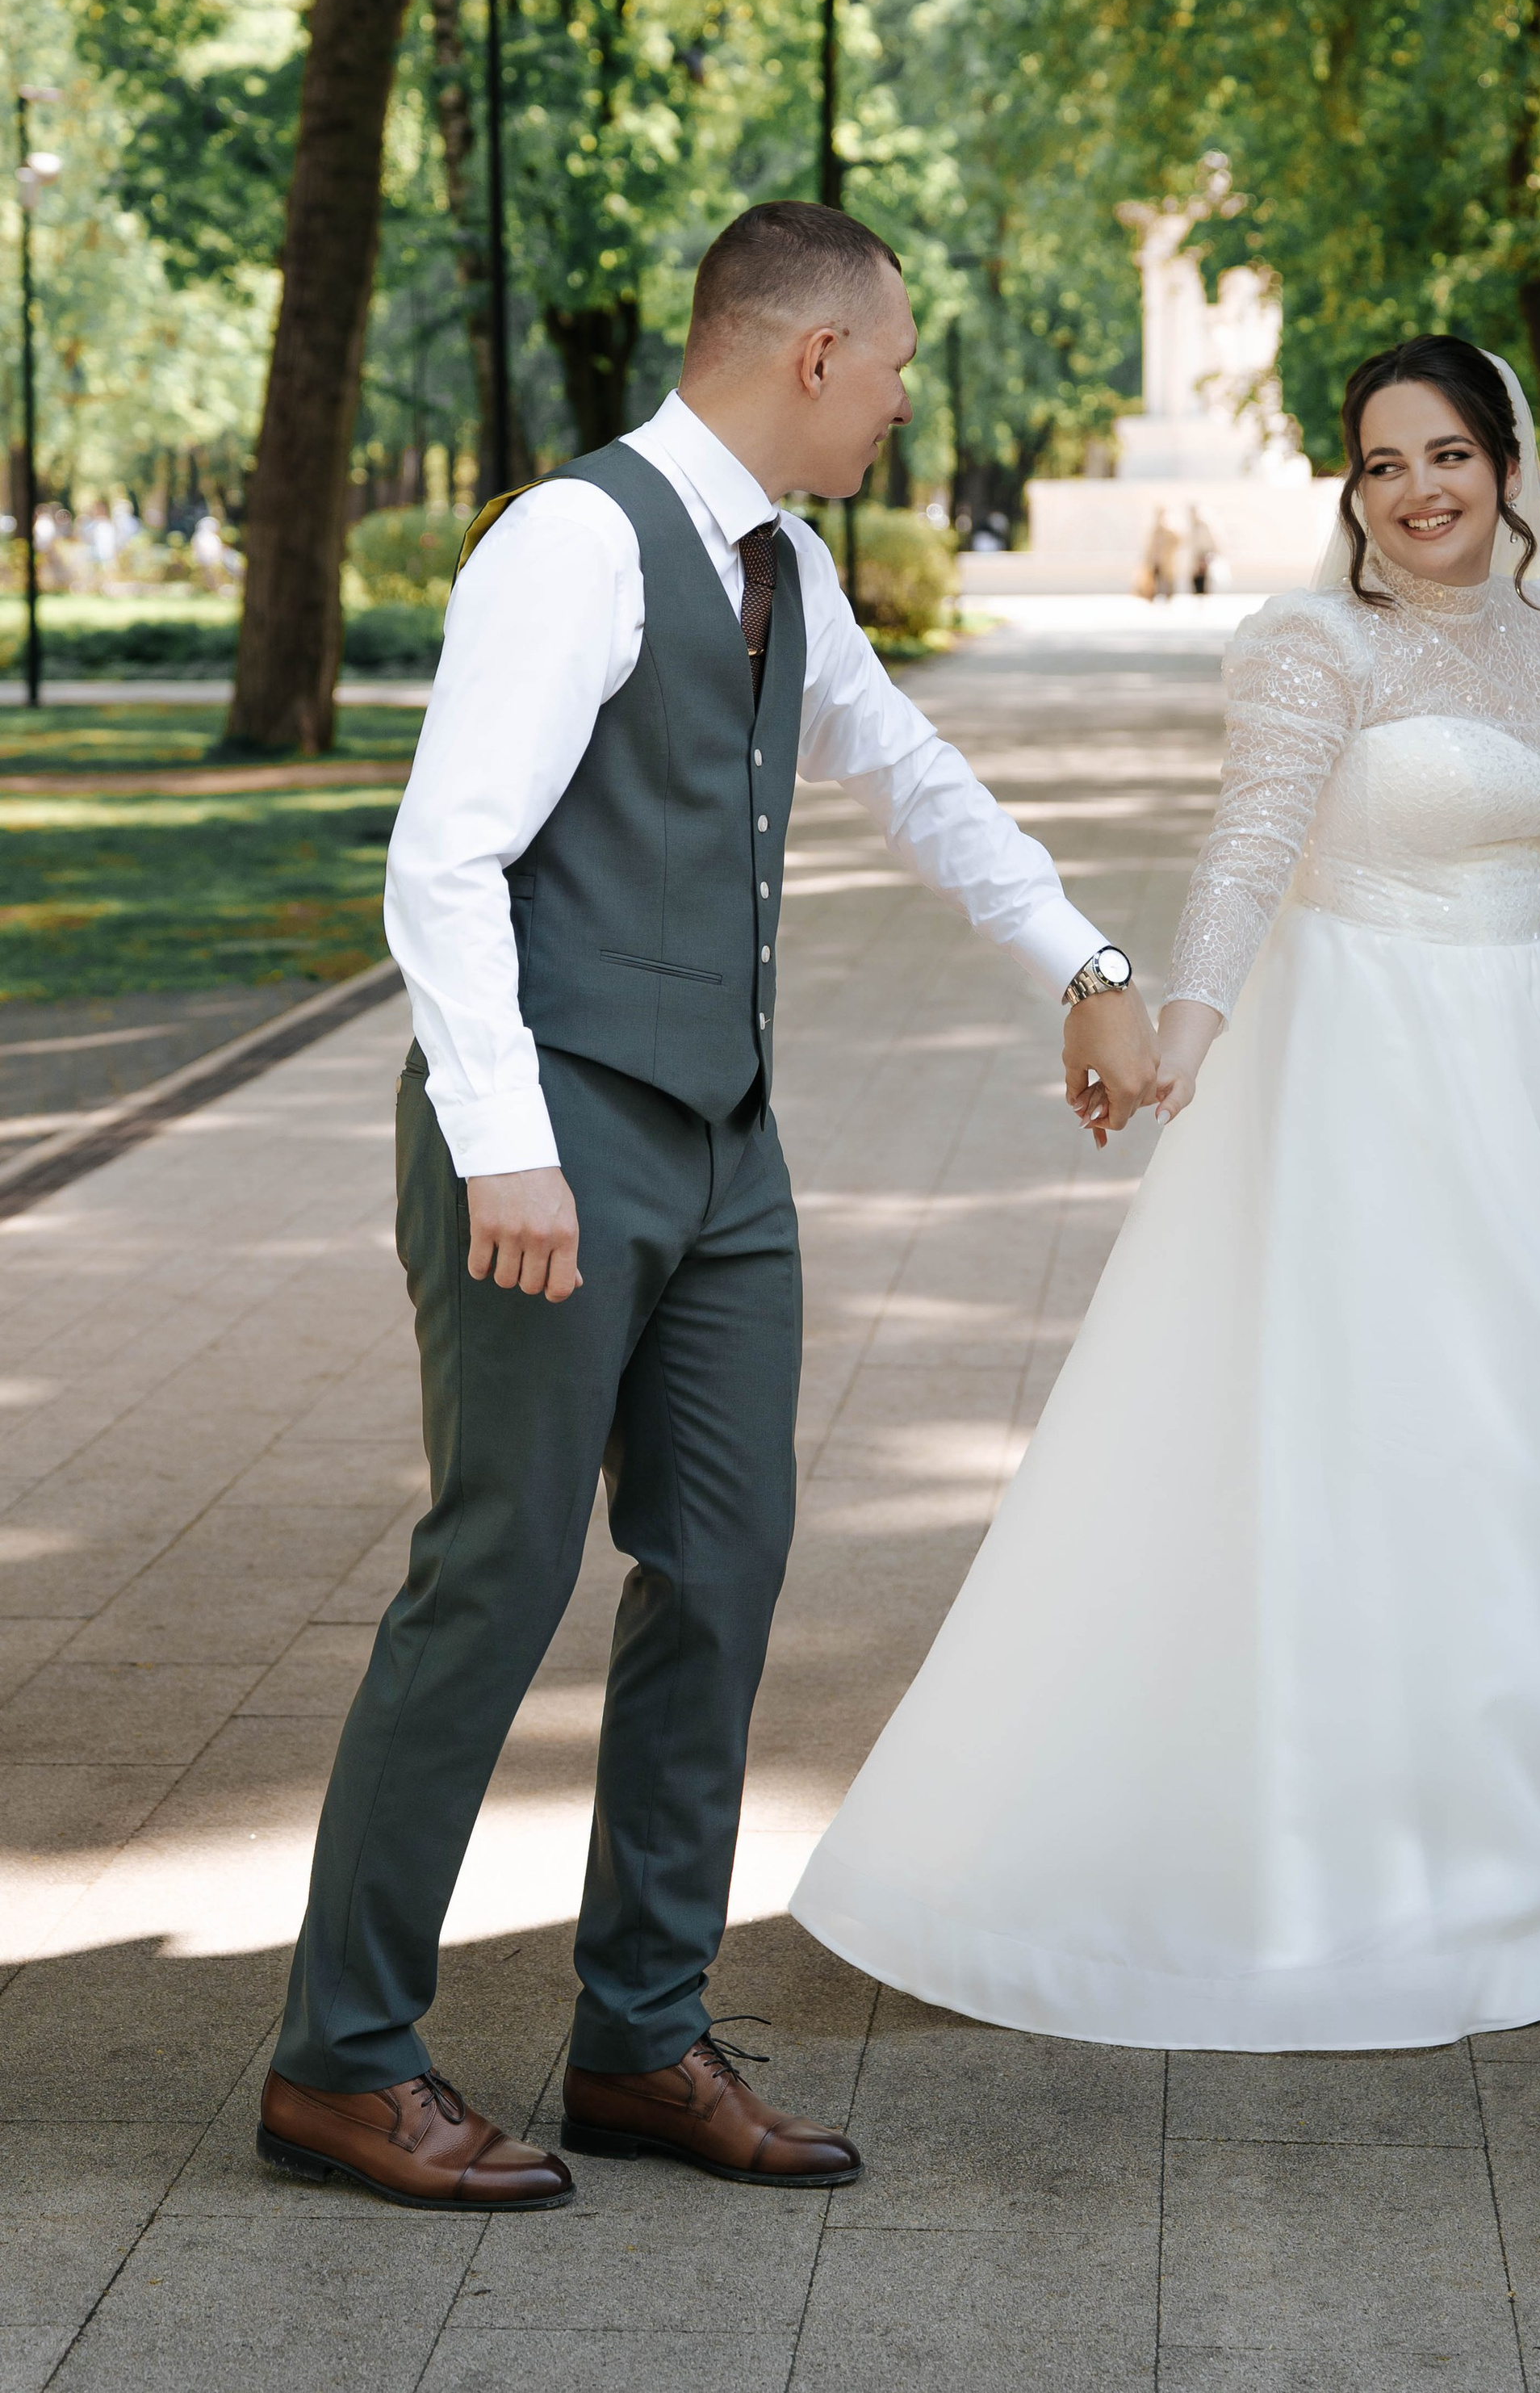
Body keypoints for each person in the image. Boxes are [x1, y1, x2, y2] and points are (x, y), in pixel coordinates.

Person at [792, 333, 1540, 2051]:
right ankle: (1359, 1863)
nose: (1415, 492)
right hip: (1361, 1064)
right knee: (1387, 1431)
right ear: (1351, 491)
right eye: (1380, 466)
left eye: (1443, 454)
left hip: (1517, 1066)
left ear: (1504, 463)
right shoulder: (1312, 645)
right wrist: (1181, 1033)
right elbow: (1244, 849)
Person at [257, 201, 1158, 2209]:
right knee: (492, 1576)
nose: (909, 400)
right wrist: (502, 1135)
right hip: (551, 1139)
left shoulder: (786, 568)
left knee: (723, 1570)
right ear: (813, 357)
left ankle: (640, 2038)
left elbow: (915, 778)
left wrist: (1088, 968)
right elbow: (447, 858)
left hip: (724, 1147)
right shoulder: (572, 543)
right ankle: (337, 2060)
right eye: (899, 363)